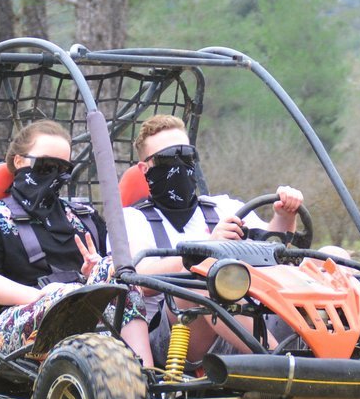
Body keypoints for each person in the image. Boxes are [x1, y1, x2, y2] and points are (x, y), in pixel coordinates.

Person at [0, 120, 154, 366]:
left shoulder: (84, 217)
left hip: (84, 311)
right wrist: (41, 295)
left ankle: (144, 370)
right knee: (67, 294)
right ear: (19, 161)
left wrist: (94, 270)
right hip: (16, 318)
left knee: (117, 270)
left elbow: (110, 278)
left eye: (63, 169)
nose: (55, 175)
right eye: (46, 166)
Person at [123, 114, 304, 368]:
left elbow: (273, 247)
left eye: (187, 156)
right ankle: (285, 368)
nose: (180, 165)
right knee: (203, 281)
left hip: (248, 321)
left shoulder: (223, 207)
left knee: (331, 262)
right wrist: (204, 250)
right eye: (168, 158)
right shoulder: (132, 219)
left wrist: (285, 215)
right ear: (145, 169)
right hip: (178, 336)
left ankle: (339, 364)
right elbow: (138, 279)